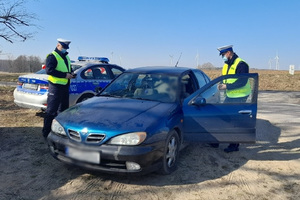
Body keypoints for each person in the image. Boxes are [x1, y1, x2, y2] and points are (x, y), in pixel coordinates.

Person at [216, 45, 251, 152]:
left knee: (234, 122)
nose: (222, 57)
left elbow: (242, 81)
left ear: (229, 53)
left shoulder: (241, 64)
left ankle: (234, 145)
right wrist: (221, 84)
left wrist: (227, 86)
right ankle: (216, 140)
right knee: (224, 117)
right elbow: (226, 78)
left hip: (240, 96)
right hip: (230, 95)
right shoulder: (226, 65)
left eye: (223, 55)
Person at [42, 38, 75, 139]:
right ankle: (46, 133)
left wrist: (71, 74)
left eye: (66, 47)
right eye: (63, 47)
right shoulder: (52, 56)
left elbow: (68, 69)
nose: (65, 49)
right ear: (58, 45)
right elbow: (49, 71)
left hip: (65, 87)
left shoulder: (66, 57)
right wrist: (65, 75)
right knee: (51, 111)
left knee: (63, 111)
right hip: (55, 87)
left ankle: (60, 132)